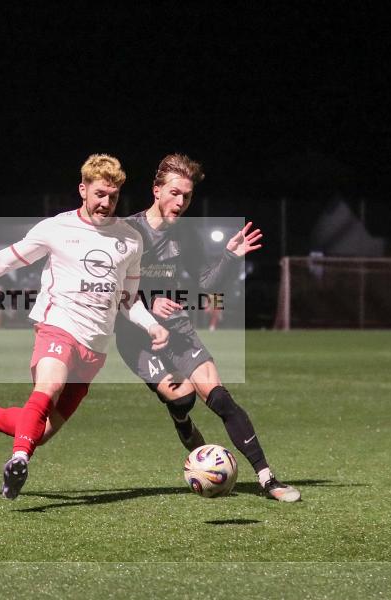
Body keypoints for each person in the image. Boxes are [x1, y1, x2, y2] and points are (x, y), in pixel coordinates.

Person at [0, 154, 168, 500]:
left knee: (43, 430)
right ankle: (19, 459)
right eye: (99, 194)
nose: (106, 203)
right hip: (57, 326)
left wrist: (151, 325)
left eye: (112, 196)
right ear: (83, 189)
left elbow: (128, 299)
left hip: (94, 347)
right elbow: (6, 259)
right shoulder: (55, 228)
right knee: (49, 387)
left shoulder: (130, 239)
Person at [112, 153, 300, 502]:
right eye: (174, 192)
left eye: (186, 195)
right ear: (156, 190)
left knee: (219, 397)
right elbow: (114, 292)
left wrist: (230, 258)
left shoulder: (188, 236)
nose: (180, 202)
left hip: (178, 330)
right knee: (181, 397)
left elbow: (206, 287)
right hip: (137, 338)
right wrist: (150, 303)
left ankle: (268, 479)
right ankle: (182, 420)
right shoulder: (127, 233)